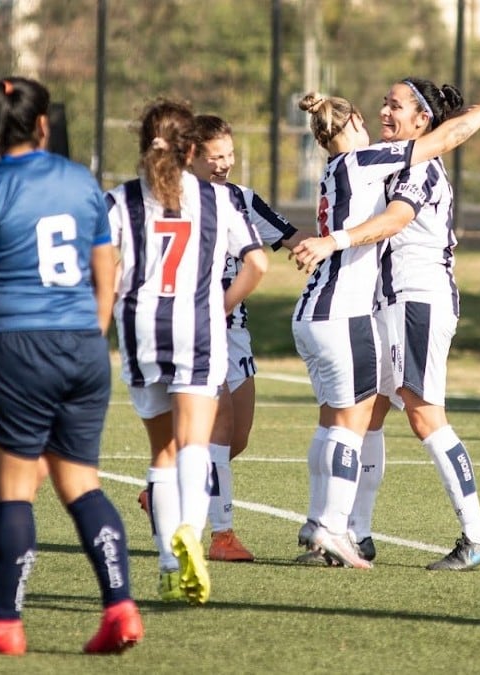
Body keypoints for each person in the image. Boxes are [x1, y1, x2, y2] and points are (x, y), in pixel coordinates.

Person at [0, 77, 142, 655]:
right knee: (82, 483)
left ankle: (3, 623)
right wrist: (90, 333)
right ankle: (120, 607)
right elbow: (109, 271)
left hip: (16, 346)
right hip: (82, 345)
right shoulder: (81, 181)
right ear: (44, 125)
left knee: (12, 491)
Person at [290, 75, 480, 569]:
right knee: (369, 411)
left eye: (396, 106)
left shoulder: (419, 166)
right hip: (387, 302)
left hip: (418, 299)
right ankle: (356, 532)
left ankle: (478, 534)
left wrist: (333, 241)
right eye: (383, 104)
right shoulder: (388, 160)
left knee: (422, 413)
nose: (385, 113)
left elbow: (394, 220)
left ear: (421, 119)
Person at [109, 100, 267, 604]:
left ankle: (167, 565)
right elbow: (257, 264)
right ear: (192, 149)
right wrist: (219, 306)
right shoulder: (217, 200)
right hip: (196, 328)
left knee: (163, 452)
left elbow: (103, 269)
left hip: (140, 331)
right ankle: (193, 538)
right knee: (195, 445)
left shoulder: (119, 200)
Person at [187, 113, 304, 562]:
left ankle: (166, 489)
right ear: (192, 155)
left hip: (236, 332)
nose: (224, 164)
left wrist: (342, 243)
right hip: (199, 329)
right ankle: (222, 535)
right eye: (215, 157)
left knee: (237, 440)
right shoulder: (177, 199)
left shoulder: (242, 198)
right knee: (219, 431)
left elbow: (292, 237)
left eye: (229, 155)